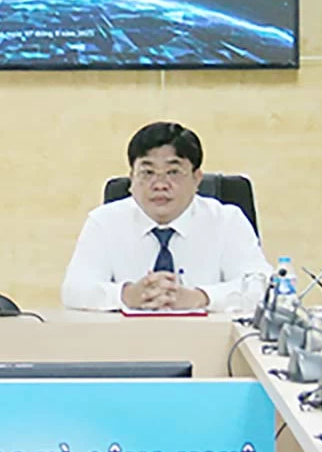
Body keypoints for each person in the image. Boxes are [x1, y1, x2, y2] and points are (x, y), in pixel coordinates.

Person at [61, 122, 270, 312]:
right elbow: (74, 290)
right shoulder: (104, 222)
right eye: (148, 173)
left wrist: (200, 297)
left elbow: (262, 288)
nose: (160, 185)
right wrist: (126, 295)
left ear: (197, 178)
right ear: (132, 178)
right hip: (125, 346)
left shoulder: (227, 221)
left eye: (173, 172)